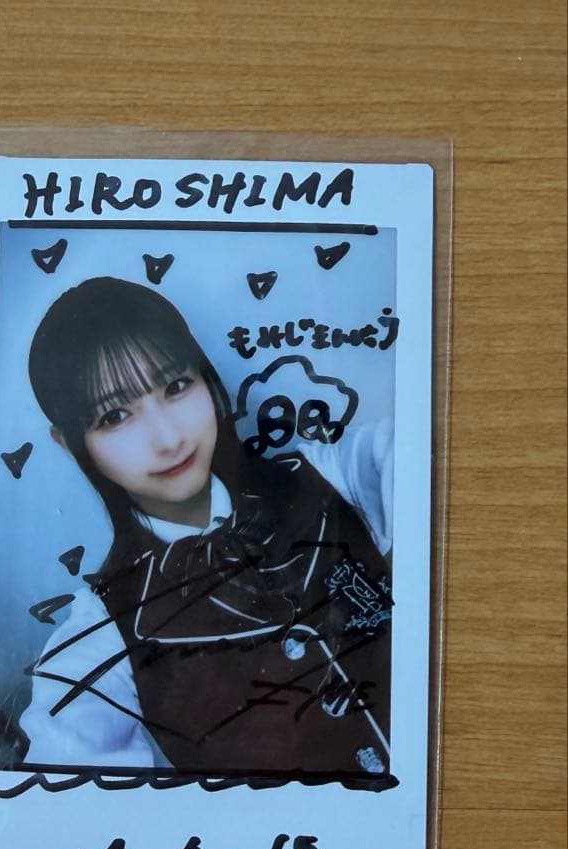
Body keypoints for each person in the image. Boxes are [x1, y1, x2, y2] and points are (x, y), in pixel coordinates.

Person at [19, 277, 393, 783]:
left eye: (176, 387)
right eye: (115, 415)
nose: (169, 438)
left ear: (206, 378)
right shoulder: (100, 635)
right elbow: (66, 793)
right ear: (70, 443)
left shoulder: (336, 474)